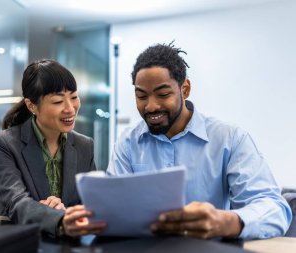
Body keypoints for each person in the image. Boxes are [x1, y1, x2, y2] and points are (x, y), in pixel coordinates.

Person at [107, 43, 292, 240]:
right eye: (141, 96)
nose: (151, 106)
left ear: (185, 89)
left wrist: (225, 222)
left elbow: (274, 207)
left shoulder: (229, 139)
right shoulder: (127, 142)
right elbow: (111, 206)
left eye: (163, 94)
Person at [0, 59, 106, 238]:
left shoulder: (84, 145)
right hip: (25, 242)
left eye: (74, 97)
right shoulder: (4, 144)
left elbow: (92, 202)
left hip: (71, 244)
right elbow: (16, 203)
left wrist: (66, 212)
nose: (70, 109)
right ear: (32, 106)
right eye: (58, 101)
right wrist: (57, 219)